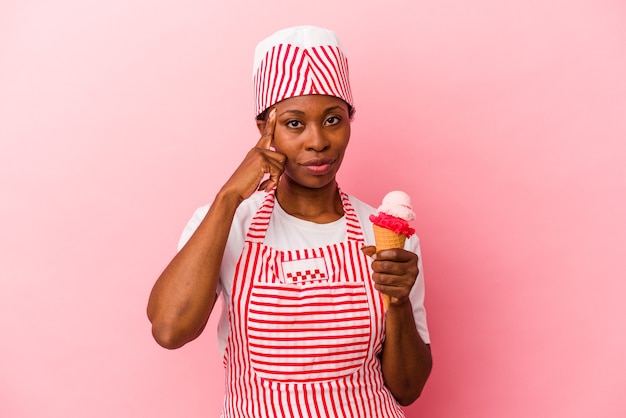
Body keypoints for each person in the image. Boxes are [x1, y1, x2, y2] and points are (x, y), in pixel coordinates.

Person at [147, 25, 432, 417]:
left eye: (333, 119)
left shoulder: (383, 233)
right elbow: (169, 330)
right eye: (294, 123)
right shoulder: (227, 222)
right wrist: (229, 196)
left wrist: (397, 301)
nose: (318, 141)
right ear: (266, 131)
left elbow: (407, 390)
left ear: (349, 122)